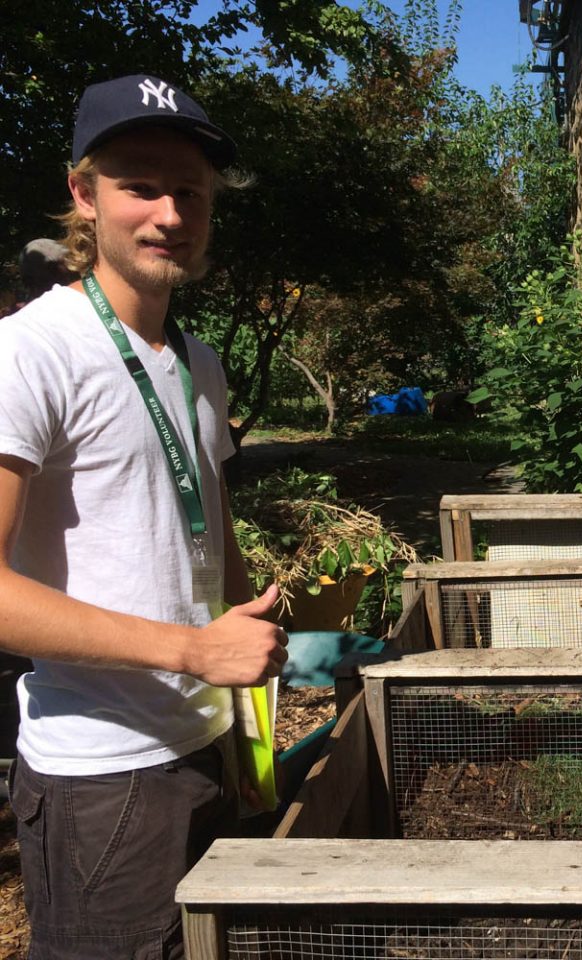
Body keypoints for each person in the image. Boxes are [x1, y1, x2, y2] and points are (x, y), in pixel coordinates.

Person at [0, 74, 288, 958]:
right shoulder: (30, 353)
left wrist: (247, 717)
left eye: (191, 192)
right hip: (102, 783)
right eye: (141, 185)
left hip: (205, 747)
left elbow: (211, 527)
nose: (170, 212)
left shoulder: (197, 363)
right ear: (85, 195)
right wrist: (189, 652)